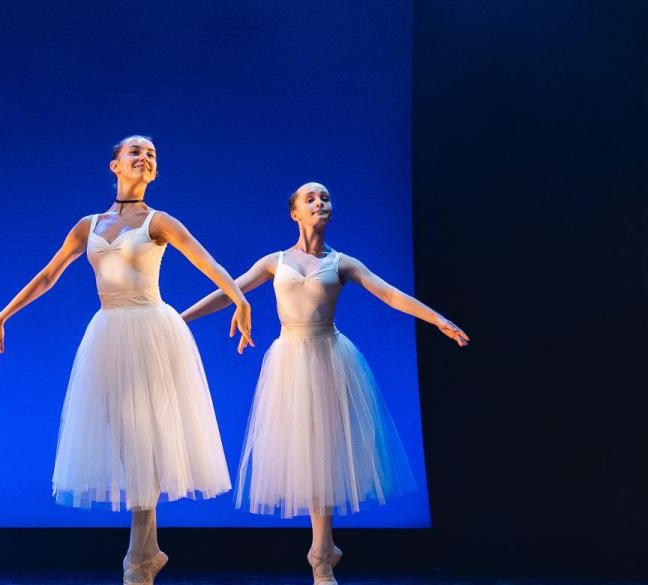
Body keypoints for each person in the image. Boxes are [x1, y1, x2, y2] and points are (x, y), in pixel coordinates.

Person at [0, 136, 252, 585]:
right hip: (108, 331)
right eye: (136, 152)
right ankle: (147, 550)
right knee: (126, 435)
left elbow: (203, 258)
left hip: (150, 326)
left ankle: (137, 557)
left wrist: (239, 298)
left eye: (151, 155)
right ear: (115, 165)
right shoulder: (88, 225)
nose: (145, 158)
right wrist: (5, 313)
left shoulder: (158, 221)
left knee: (143, 434)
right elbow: (50, 274)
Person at [180, 181, 469, 584]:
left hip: (330, 357)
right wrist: (179, 320)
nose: (319, 202)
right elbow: (230, 291)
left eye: (325, 198)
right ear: (295, 212)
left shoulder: (342, 263)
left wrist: (437, 319)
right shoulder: (274, 261)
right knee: (303, 450)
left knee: (324, 452)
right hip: (289, 360)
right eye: (310, 199)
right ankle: (324, 549)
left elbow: (390, 295)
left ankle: (320, 556)